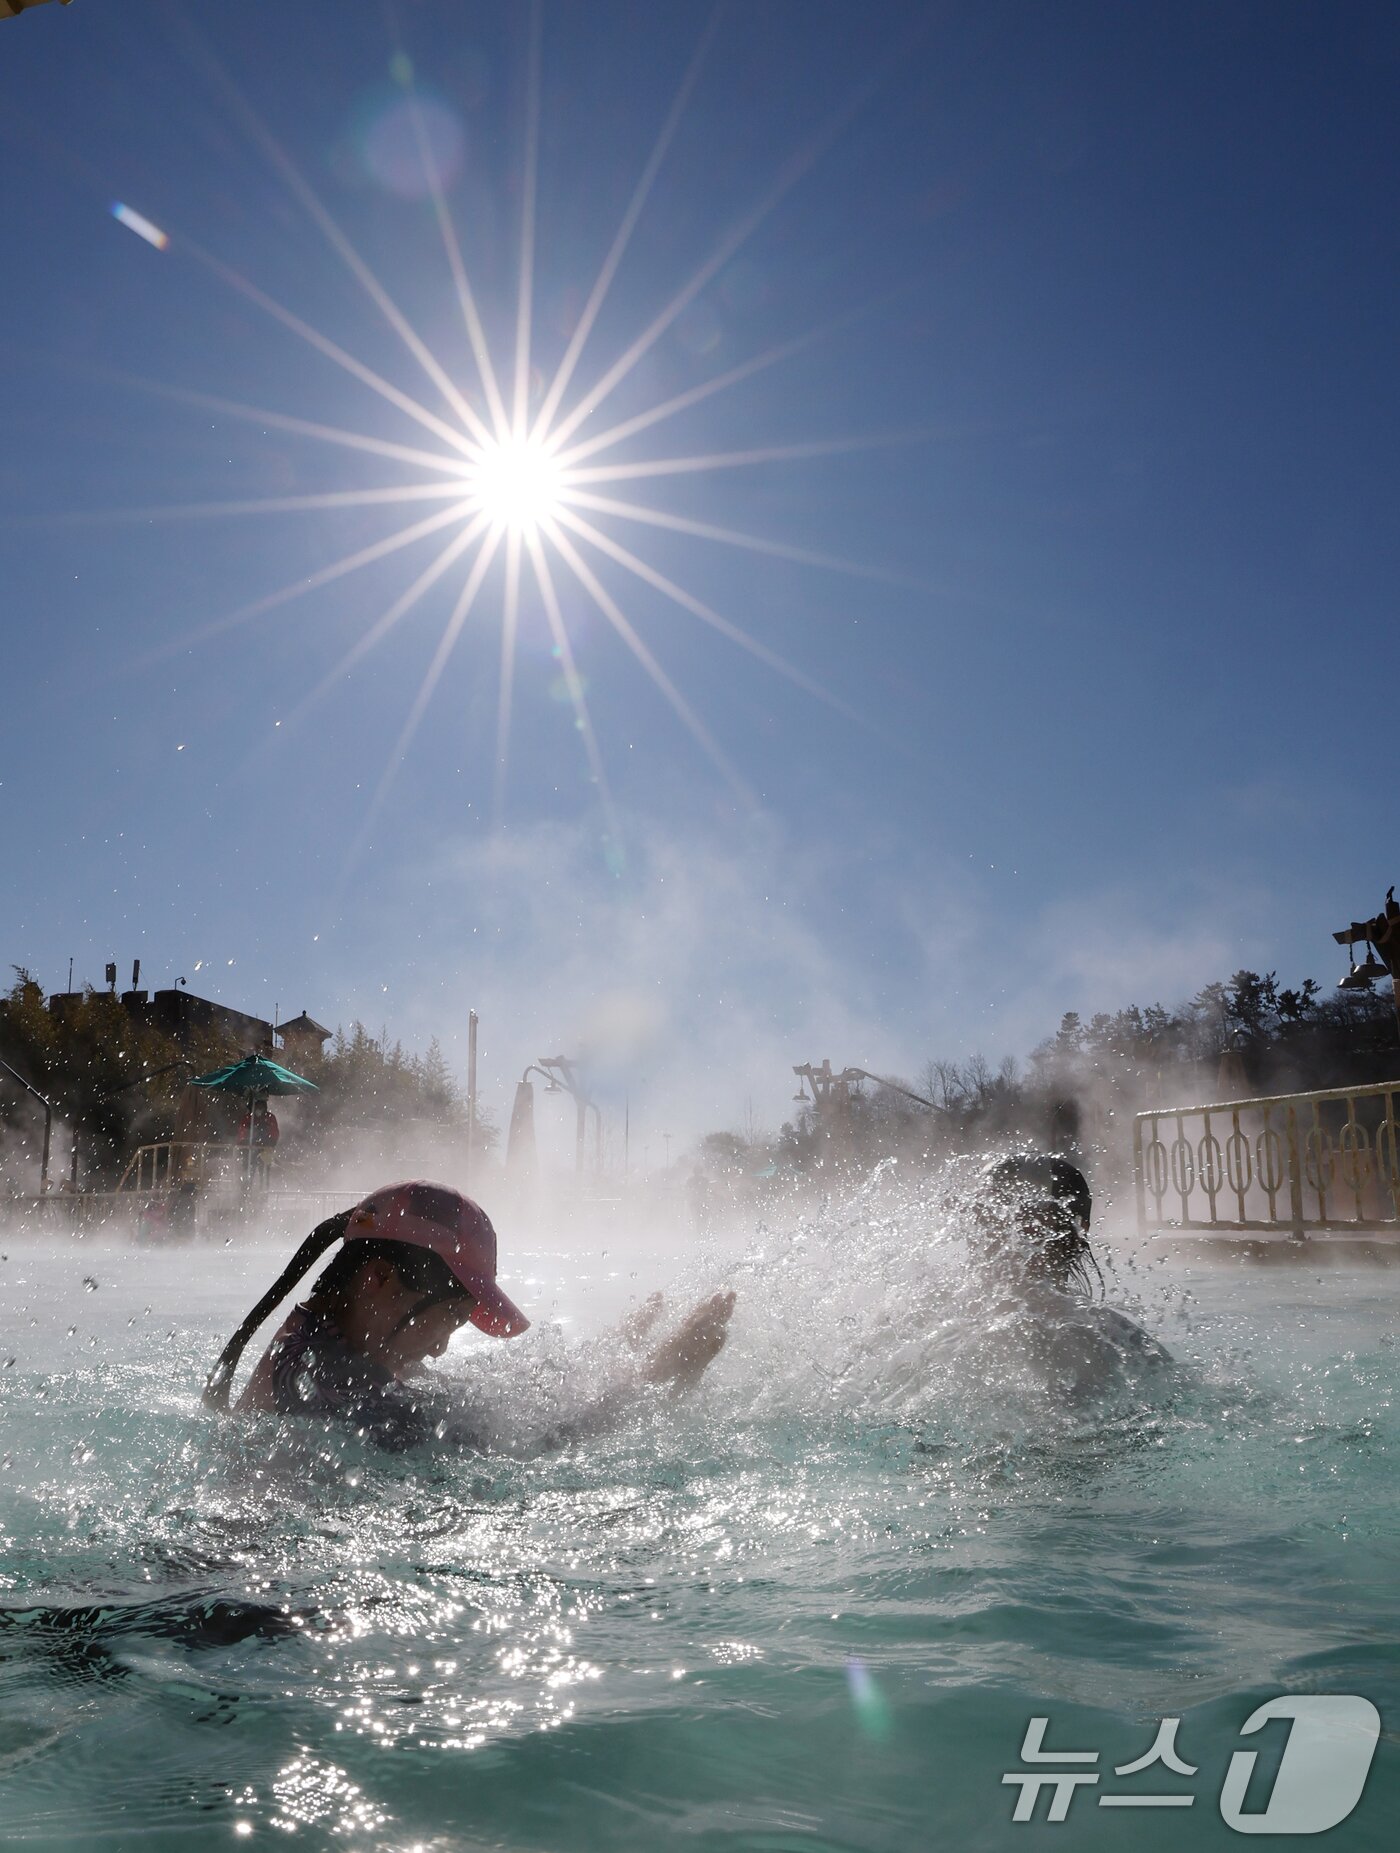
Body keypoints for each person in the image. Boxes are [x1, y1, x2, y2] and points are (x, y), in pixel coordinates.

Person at [204, 1181, 736, 1451]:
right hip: (245, 1612)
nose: (439, 1347)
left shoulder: (323, 1340)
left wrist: (605, 1363)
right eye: (448, 1319)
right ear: (381, 1280)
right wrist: (649, 1386)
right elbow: (518, 1464)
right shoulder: (326, 1379)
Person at [969, 1151, 1172, 1385]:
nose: (980, 1235)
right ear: (1081, 1230)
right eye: (982, 1217)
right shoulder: (1132, 1347)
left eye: (987, 1218)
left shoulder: (945, 1335)